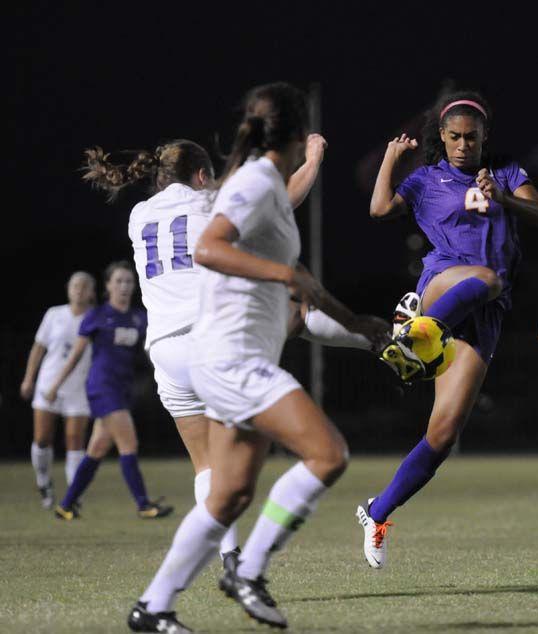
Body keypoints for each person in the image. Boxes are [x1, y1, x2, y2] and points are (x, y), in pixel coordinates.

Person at [127, 81, 389, 633]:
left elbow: (299, 290)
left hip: (193, 352)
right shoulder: (251, 183)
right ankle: (248, 569)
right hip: (229, 358)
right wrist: (287, 275)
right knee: (327, 454)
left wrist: (358, 325)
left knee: (227, 494)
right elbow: (209, 247)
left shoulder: (249, 187)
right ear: (296, 136)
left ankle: (152, 607)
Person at [82, 135, 379, 571]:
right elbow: (284, 199)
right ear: (202, 175)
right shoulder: (209, 203)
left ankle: (227, 556)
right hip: (210, 342)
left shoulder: (137, 214)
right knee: (294, 311)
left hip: (165, 352)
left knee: (205, 465)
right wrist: (314, 157)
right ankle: (382, 341)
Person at [356, 89, 538, 569]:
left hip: (484, 313)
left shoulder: (504, 172)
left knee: (442, 436)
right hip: (444, 283)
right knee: (486, 277)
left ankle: (376, 513)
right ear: (441, 137)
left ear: (485, 137)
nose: (464, 145)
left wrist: (501, 197)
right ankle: (414, 335)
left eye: (472, 137)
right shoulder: (425, 178)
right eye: (455, 137)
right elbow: (379, 211)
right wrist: (390, 158)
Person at [45, 261, 173, 520]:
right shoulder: (97, 316)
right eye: (119, 281)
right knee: (129, 443)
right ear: (107, 286)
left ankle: (66, 505)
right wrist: (55, 385)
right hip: (102, 388)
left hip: (123, 389)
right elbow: (76, 355)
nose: (124, 286)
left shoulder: (139, 317)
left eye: (129, 281)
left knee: (97, 449)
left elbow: (153, 352)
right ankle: (143, 504)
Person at [20, 271, 96, 509]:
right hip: (48, 384)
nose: (79, 290)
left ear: (91, 292)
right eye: (75, 285)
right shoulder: (54, 314)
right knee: (42, 439)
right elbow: (38, 349)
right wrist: (28, 379)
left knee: (75, 441)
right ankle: (44, 481)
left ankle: (73, 495)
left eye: (84, 286)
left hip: (79, 387)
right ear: (68, 288)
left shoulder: (95, 318)